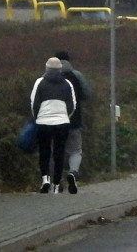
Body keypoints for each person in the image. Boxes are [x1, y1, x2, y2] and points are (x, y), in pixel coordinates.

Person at [30, 57, 76, 193]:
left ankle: (45, 180)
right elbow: (72, 105)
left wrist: (37, 118)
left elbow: (34, 104)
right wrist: (65, 117)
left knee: (44, 152)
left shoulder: (39, 82)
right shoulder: (67, 84)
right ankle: (57, 184)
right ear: (60, 69)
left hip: (43, 123)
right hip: (62, 123)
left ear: (46, 69)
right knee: (59, 153)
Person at [54, 51, 92, 194]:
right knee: (75, 150)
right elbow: (87, 94)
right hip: (74, 119)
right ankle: (73, 172)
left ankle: (58, 181)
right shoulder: (76, 75)